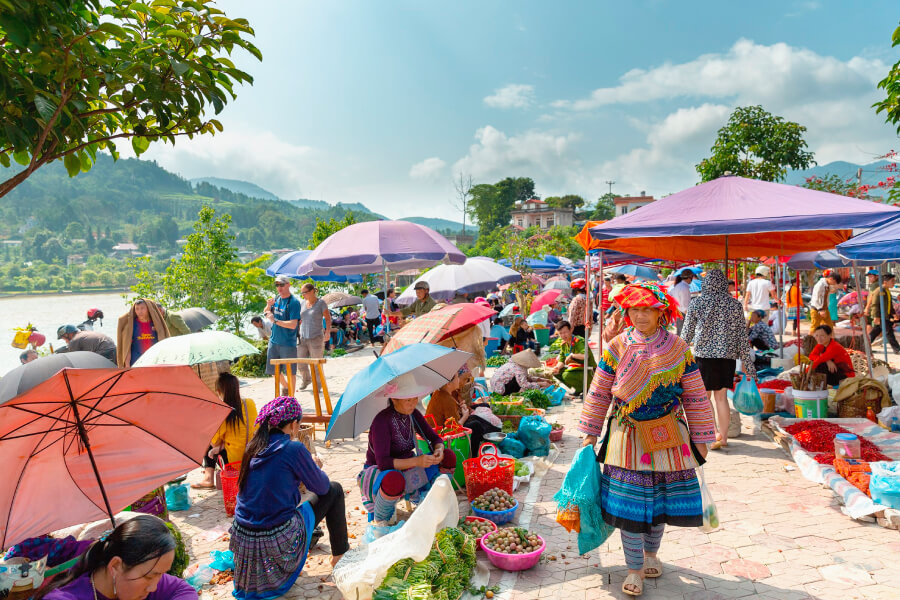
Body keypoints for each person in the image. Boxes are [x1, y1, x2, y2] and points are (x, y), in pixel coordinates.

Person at [579, 282, 713, 597]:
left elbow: (695, 394)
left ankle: (652, 554)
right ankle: (634, 570)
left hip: (670, 435)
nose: (640, 315)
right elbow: (599, 392)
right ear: (627, 312)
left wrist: (702, 436)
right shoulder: (616, 346)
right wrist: (590, 432)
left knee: (660, 500)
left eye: (647, 309)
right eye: (635, 309)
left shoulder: (679, 348)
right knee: (629, 506)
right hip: (626, 435)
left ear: (660, 311)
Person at [232, 396, 349, 599]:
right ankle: (340, 557)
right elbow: (321, 488)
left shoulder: (252, 447)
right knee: (335, 489)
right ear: (294, 424)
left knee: (298, 507)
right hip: (275, 538)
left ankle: (320, 545)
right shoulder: (293, 448)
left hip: (244, 538)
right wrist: (315, 465)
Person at [359, 384, 457, 526]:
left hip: (410, 467)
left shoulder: (413, 415)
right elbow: (383, 463)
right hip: (382, 472)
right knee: (394, 479)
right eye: (408, 400)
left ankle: (433, 502)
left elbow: (435, 438)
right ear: (394, 399)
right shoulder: (381, 421)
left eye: (415, 398)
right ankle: (381, 520)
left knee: (448, 456)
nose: (413, 403)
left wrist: (439, 450)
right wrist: (417, 461)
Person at [36, 514, 195, 600]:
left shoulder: (137, 578)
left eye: (160, 575)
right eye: (150, 576)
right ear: (115, 566)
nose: (153, 587)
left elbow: (182, 589)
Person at [682, 269, 755, 451]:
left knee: (705, 397)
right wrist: (748, 364)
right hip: (727, 357)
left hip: (703, 357)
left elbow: (686, 333)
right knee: (721, 398)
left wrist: (676, 355)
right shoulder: (735, 305)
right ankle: (723, 438)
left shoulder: (697, 303)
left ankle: (713, 433)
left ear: (706, 285)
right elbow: (741, 336)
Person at [192, 373, 259, 489]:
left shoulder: (223, 411)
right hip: (253, 457)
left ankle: (208, 478)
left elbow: (214, 443)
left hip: (235, 464)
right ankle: (208, 476)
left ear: (218, 391)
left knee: (205, 436)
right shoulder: (250, 403)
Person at [264, 275, 301, 397]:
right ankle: (286, 388)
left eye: (282, 284)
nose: (279, 287)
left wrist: (275, 321)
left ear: (288, 284)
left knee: (291, 373)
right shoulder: (277, 299)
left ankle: (291, 399)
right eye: (277, 285)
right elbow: (266, 312)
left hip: (288, 343)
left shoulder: (294, 302)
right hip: (274, 341)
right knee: (274, 371)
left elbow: (293, 324)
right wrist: (269, 306)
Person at [296, 283, 331, 390]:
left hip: (316, 337)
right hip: (302, 338)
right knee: (300, 361)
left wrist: (328, 332)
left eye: (304, 293)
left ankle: (318, 385)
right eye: (301, 293)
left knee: (316, 364)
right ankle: (306, 379)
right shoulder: (302, 303)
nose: (303, 295)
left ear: (312, 291)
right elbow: (299, 319)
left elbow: (328, 318)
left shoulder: (321, 303)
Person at [116, 299, 170, 368]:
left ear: (148, 309)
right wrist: (127, 364)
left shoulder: (156, 325)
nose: (139, 311)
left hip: (154, 362)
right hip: (136, 363)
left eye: (142, 308)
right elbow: (127, 347)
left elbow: (162, 343)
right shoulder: (131, 326)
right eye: (137, 309)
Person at [551, 320, 596, 396]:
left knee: (566, 375)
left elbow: (585, 356)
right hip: (576, 369)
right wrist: (557, 367)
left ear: (571, 330)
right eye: (560, 333)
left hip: (588, 370)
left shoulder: (578, 341)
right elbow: (561, 360)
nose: (563, 335)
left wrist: (572, 355)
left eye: (565, 332)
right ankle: (579, 389)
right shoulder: (564, 345)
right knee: (555, 372)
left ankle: (587, 388)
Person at [868, 272, 900, 355]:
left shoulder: (887, 290)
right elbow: (875, 304)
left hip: (886, 315)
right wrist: (876, 316)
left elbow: (889, 304)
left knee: (875, 332)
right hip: (881, 316)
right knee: (889, 333)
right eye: (892, 281)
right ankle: (897, 349)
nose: (893, 283)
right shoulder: (879, 290)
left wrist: (893, 314)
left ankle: (865, 346)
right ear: (885, 282)